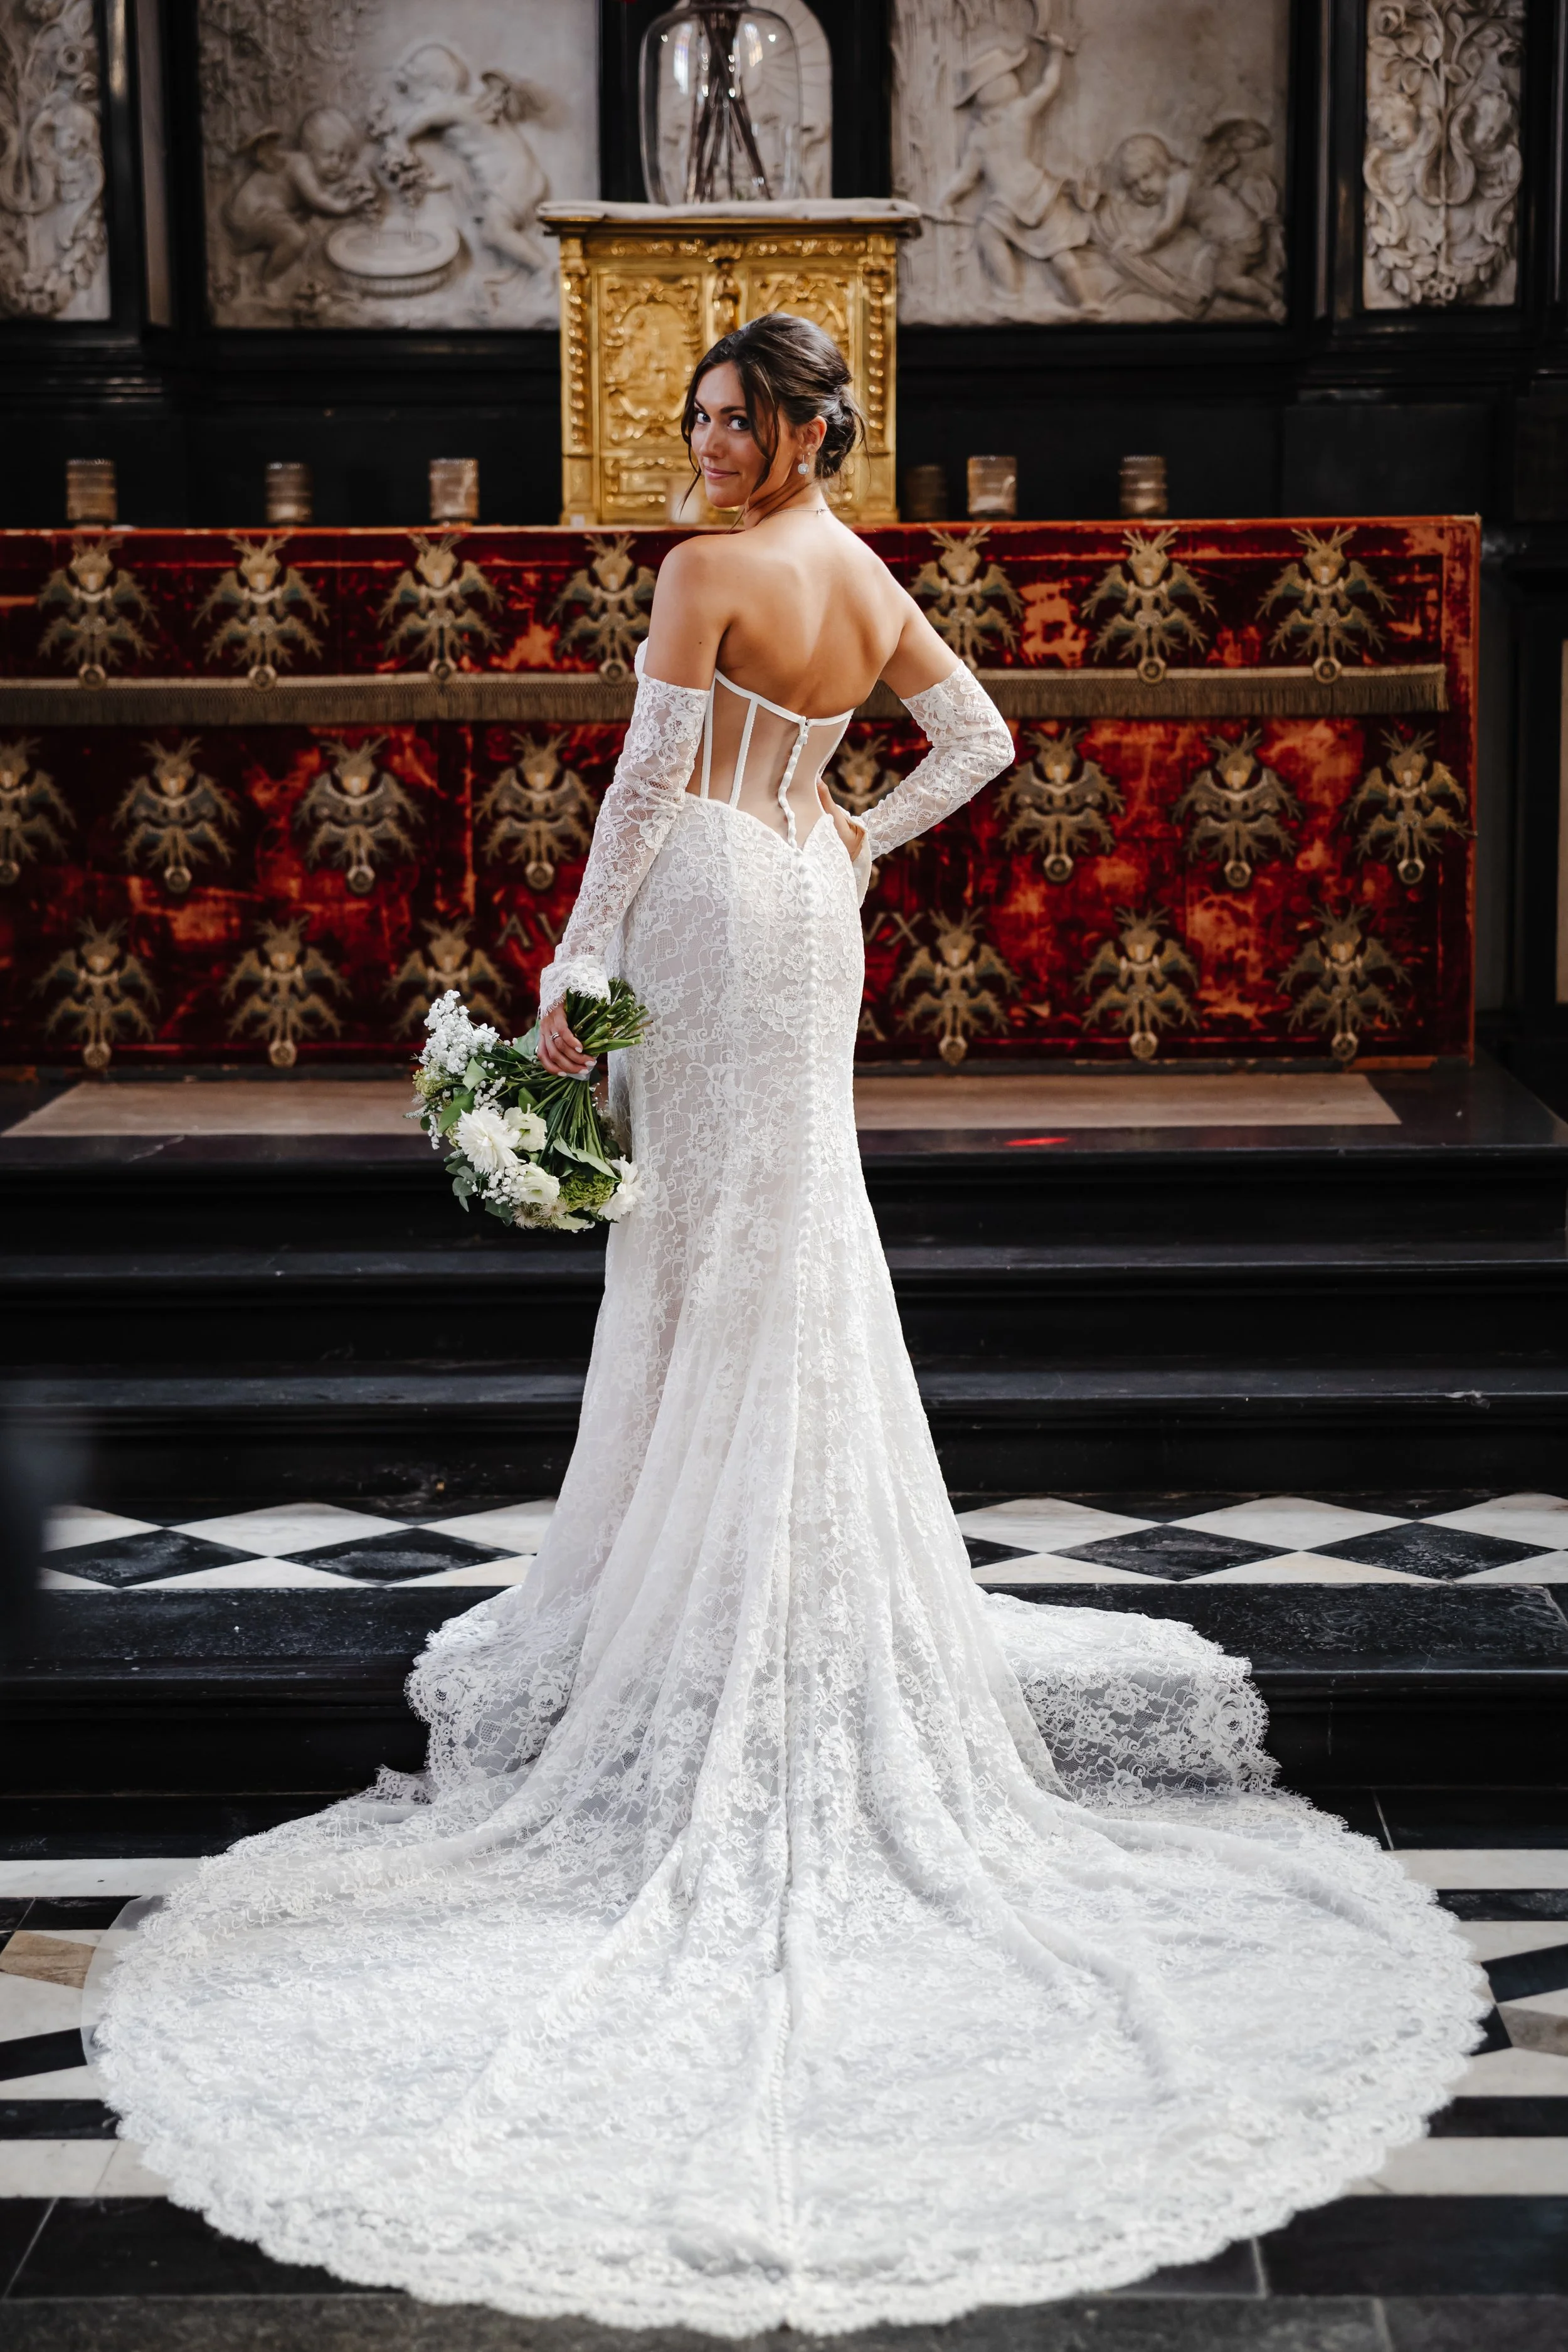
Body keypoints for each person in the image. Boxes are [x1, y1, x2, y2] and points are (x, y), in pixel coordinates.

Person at [96, 315, 1484, 2335]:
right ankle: (777, 1574)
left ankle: (709, 1595)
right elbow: (979, 740)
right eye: (698, 418)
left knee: (711, 1254)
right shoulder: (853, 570)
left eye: (735, 419)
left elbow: (646, 791)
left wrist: (566, 977)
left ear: (806, 426)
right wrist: (848, 831)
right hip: (807, 916)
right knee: (782, 1243)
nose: (705, 443)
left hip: (712, 918)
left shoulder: (701, 575)